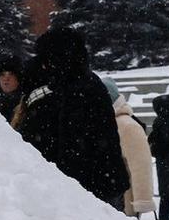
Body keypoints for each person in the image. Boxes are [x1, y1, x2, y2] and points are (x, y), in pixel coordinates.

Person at [12, 28, 129, 207]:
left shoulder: (76, 89)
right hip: (99, 184)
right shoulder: (79, 84)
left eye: (47, 59)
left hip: (88, 190)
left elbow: (72, 146)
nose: (45, 65)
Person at [101, 78, 156, 218]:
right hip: (106, 196)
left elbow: (141, 167)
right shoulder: (102, 124)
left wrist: (142, 201)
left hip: (122, 201)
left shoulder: (127, 126)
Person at [0, 56, 23, 120]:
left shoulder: (27, 103)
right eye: (2, 74)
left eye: (11, 74)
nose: (6, 79)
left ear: (19, 78)